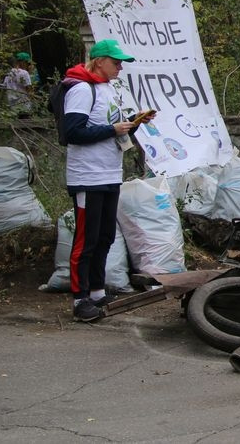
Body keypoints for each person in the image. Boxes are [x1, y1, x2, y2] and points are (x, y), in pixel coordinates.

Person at [63, 39, 155, 322]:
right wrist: (112, 129)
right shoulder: (81, 89)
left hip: (109, 174)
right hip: (87, 176)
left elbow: (106, 126)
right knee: (86, 239)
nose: (119, 67)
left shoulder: (107, 89)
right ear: (99, 60)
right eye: (115, 62)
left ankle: (97, 292)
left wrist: (133, 121)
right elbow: (73, 132)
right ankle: (80, 300)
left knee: (105, 236)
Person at [3, 51, 34, 117]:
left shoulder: (9, 73)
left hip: (12, 107)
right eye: (27, 63)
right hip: (24, 107)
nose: (28, 65)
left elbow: (5, 87)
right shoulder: (24, 73)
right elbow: (29, 90)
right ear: (22, 62)